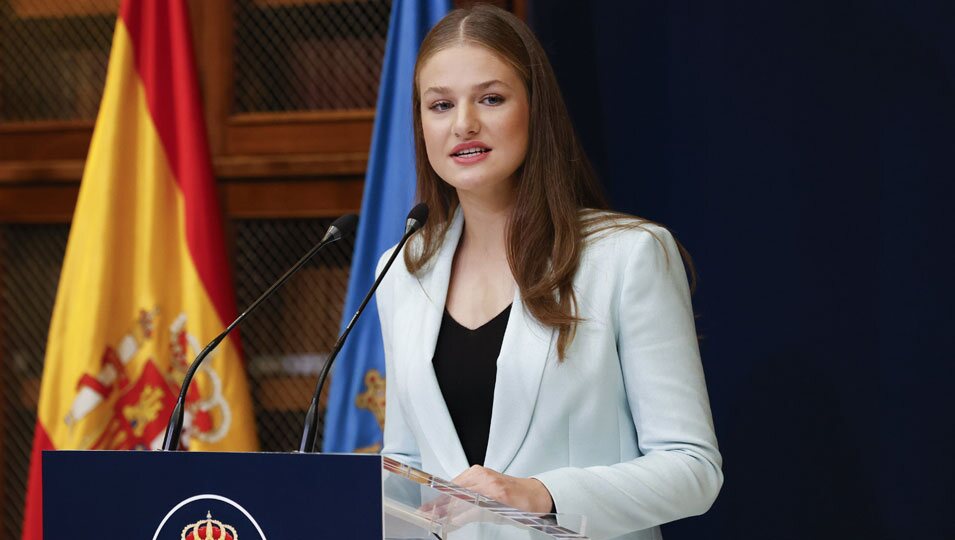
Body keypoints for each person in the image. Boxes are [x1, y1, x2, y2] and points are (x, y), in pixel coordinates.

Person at [376, 5, 722, 539]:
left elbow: (692, 468)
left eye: (490, 99)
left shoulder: (627, 257)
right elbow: (404, 462)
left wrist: (541, 494)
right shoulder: (402, 270)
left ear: (535, 109)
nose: (464, 122)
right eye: (440, 104)